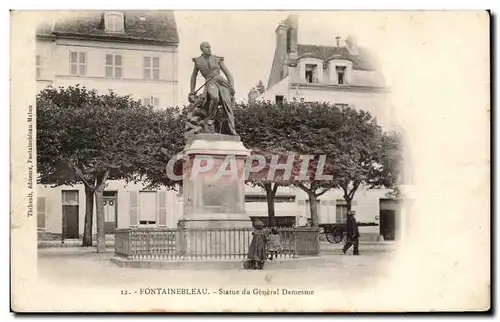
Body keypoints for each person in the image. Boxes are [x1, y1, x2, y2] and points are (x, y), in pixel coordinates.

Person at [189, 42, 237, 135]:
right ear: (202, 49)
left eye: (210, 47)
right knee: (214, 97)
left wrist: (232, 87)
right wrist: (192, 90)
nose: (209, 49)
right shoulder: (198, 61)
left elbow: (228, 74)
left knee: (228, 104)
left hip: (222, 82)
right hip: (210, 82)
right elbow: (193, 76)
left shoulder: (217, 59)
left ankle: (231, 129)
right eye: (207, 47)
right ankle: (210, 120)